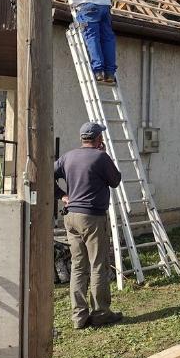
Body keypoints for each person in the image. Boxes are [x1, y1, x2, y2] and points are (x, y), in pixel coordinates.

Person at [54, 122, 123, 329]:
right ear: (98, 139)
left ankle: (79, 317)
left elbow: (48, 175)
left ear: (82, 138)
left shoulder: (68, 157)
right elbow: (115, 180)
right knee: (98, 264)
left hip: (71, 216)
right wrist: (105, 155)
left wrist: (62, 196)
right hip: (92, 217)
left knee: (78, 266)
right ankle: (101, 313)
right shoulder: (101, 157)